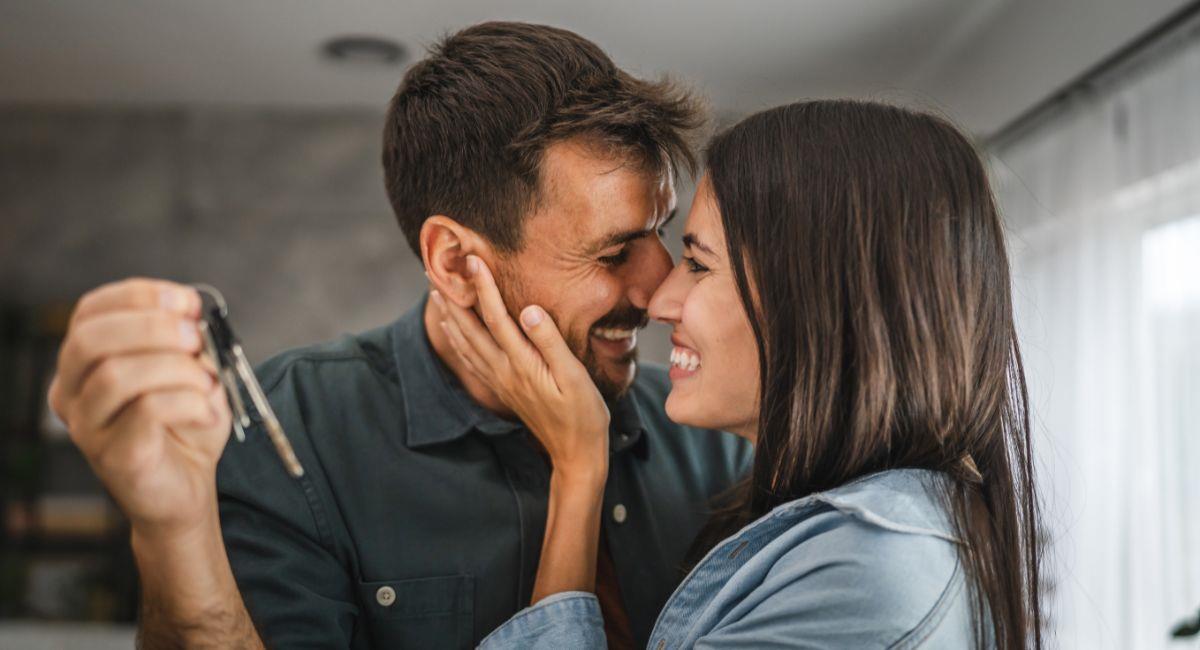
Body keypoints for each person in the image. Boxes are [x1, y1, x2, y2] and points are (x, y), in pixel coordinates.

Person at [46, 22, 751, 648]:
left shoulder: (712, 430)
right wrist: (170, 533)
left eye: (661, 231)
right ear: (454, 262)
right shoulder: (293, 429)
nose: (662, 290)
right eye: (611, 252)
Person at [435, 100, 1044, 648]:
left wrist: (577, 468)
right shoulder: (823, 522)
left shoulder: (866, 569)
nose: (658, 299)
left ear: (816, 303)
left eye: (698, 265)